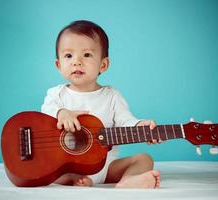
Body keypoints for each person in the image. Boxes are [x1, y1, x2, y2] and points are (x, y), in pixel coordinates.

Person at [41, 20, 160, 189]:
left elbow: (125, 120)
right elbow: (45, 114)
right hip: (67, 167)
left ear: (103, 64)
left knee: (145, 159)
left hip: (105, 167)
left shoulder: (111, 96)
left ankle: (127, 181)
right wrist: (61, 113)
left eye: (87, 55)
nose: (77, 62)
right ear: (58, 65)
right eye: (69, 56)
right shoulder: (56, 94)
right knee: (47, 169)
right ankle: (76, 180)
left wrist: (141, 126)